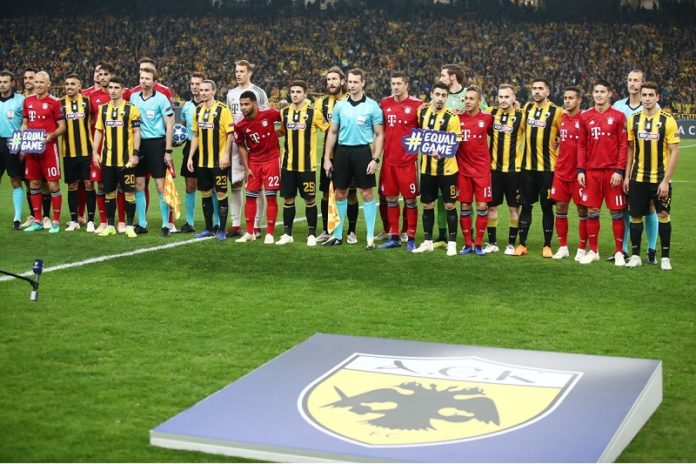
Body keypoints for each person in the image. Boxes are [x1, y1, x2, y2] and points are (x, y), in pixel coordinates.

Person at [322, 68, 384, 249]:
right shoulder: (340, 105)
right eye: (350, 82)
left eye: (356, 82)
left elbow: (380, 134)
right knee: (340, 192)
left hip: (363, 153)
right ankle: (337, 235)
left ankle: (370, 237)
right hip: (342, 152)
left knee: (366, 193)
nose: (352, 85)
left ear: (363, 83)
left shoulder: (372, 106)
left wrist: (375, 159)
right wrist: (327, 158)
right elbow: (332, 132)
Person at [624, 82, 680, 271]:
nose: (647, 98)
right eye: (644, 95)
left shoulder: (668, 120)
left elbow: (674, 152)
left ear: (658, 97)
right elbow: (630, 149)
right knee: (635, 215)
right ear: (640, 97)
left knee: (663, 214)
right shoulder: (633, 119)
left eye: (651, 95)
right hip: (638, 178)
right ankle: (635, 256)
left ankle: (665, 257)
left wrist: (666, 181)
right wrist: (627, 176)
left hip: (659, 180)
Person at [577, 80, 628, 265]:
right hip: (592, 172)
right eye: (596, 91)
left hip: (612, 173)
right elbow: (581, 146)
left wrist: (619, 170)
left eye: (602, 91)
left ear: (609, 94)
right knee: (592, 211)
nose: (599, 94)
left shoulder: (619, 116)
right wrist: (580, 170)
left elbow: (623, 146)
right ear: (592, 94)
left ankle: (619, 252)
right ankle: (593, 251)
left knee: (616, 212)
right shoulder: (585, 116)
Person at [613, 69, 659, 264]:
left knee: (650, 208)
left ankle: (651, 249)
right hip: (620, 164)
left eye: (636, 80)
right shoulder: (617, 106)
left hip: (646, 167)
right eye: (630, 80)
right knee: (623, 207)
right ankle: (622, 250)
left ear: (643, 83)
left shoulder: (652, 106)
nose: (632, 84)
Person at [411, 82, 461, 256]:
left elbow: (455, 143)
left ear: (447, 97)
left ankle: (452, 243)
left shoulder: (452, 118)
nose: (440, 98)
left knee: (449, 205)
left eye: (443, 95)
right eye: (437, 94)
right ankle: (428, 242)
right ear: (431, 94)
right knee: (427, 205)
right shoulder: (422, 111)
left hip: (447, 170)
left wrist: (443, 153)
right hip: (427, 169)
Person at [516, 78, 562, 257]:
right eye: (534, 88)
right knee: (526, 205)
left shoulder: (556, 112)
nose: (536, 91)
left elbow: (564, 134)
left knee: (546, 206)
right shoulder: (527, 108)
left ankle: (547, 245)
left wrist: (559, 142)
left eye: (540, 88)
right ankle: (522, 244)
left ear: (547, 92)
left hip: (548, 169)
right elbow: (520, 130)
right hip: (527, 168)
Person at [275, 80, 324, 246]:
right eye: (292, 92)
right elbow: (283, 130)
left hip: (307, 166)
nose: (295, 95)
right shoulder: (284, 112)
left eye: (298, 92)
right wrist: (266, 135)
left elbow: (329, 129)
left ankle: (311, 235)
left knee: (309, 200)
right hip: (287, 165)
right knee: (288, 199)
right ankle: (287, 234)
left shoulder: (314, 113)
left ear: (305, 94)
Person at [377, 71, 422, 251]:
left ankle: (411, 237)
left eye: (398, 84)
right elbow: (380, 131)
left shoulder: (417, 105)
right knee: (391, 198)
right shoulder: (385, 103)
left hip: (408, 162)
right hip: (389, 161)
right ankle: (394, 236)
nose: (395, 87)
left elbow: (426, 131)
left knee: (410, 200)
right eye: (393, 84)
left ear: (406, 85)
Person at [314, 66, 359, 244]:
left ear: (342, 81)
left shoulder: (352, 100)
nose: (331, 82)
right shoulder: (322, 103)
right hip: (329, 155)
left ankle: (352, 231)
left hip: (350, 155)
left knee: (351, 194)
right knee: (326, 193)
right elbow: (317, 122)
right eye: (328, 79)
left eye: (334, 79)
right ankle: (327, 230)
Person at [92, 77, 141, 238]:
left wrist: (135, 154)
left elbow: (136, 132)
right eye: (111, 87)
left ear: (123, 90)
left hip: (126, 161)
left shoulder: (131, 109)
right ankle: (111, 226)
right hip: (108, 160)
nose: (113, 90)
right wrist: (95, 152)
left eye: (116, 87)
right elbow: (99, 131)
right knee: (109, 193)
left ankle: (129, 226)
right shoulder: (104, 109)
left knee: (129, 193)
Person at [129, 67, 175, 237]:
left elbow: (170, 125)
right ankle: (142, 224)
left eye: (148, 78)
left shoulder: (162, 99)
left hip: (156, 144)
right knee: (139, 185)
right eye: (142, 78)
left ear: (154, 82)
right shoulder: (134, 97)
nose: (144, 81)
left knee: (160, 186)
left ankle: (165, 225)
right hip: (139, 145)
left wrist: (168, 151)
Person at [186, 79, 234, 241]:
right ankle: (208, 228)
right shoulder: (198, 110)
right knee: (205, 193)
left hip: (219, 162)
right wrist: (190, 157)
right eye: (201, 90)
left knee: (220, 192)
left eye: (206, 90)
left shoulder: (223, 110)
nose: (203, 93)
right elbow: (195, 135)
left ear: (214, 91)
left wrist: (226, 155)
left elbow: (230, 135)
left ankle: (221, 230)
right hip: (202, 162)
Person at [225, 60, 269, 238]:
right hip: (236, 145)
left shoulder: (259, 92)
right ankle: (236, 224)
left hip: (254, 143)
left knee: (256, 186)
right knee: (236, 185)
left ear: (249, 72)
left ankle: (257, 226)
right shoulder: (231, 94)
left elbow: (265, 117)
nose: (238, 74)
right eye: (236, 71)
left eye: (242, 71)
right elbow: (228, 118)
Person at [233, 91, 281, 244]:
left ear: (255, 103)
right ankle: (250, 233)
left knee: (271, 195)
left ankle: (270, 234)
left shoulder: (269, 113)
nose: (243, 107)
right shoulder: (239, 124)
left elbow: (285, 118)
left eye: (246, 104)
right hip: (254, 160)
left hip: (272, 159)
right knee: (250, 195)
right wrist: (246, 167)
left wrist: (278, 133)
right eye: (241, 104)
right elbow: (241, 145)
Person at [21, 71, 65, 233]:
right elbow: (25, 124)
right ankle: (38, 220)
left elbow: (62, 126)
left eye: (41, 82)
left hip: (49, 149)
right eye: (36, 82)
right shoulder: (27, 101)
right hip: (32, 149)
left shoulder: (55, 102)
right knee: (34, 183)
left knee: (53, 184)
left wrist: (51, 135)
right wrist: (23, 139)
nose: (38, 85)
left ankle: (56, 221)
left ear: (48, 84)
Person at [485, 83, 525, 255]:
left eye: (507, 97)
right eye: (500, 96)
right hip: (494, 170)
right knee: (491, 207)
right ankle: (492, 243)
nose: (503, 100)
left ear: (514, 98)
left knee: (513, 208)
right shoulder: (491, 113)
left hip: (514, 172)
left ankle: (511, 244)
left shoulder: (521, 116)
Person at [549, 86, 588, 261]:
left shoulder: (585, 119)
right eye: (565, 98)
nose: (567, 101)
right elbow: (556, 136)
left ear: (579, 100)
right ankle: (563, 247)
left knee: (582, 210)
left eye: (571, 98)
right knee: (560, 208)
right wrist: (558, 142)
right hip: (561, 172)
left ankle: (581, 248)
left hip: (579, 173)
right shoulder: (561, 118)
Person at [457, 86, 493, 256]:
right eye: (466, 98)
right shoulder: (457, 118)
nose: (468, 101)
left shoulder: (487, 118)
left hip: (482, 170)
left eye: (472, 99)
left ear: (479, 101)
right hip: (463, 170)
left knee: (482, 205)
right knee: (464, 205)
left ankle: (478, 243)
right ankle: (467, 243)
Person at [179, 71, 215, 233]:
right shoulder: (187, 107)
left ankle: (215, 222)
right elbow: (183, 128)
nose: (195, 87)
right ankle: (190, 222)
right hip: (190, 147)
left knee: (212, 187)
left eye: (198, 84)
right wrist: (177, 139)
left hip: (209, 148)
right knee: (190, 186)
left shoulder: (214, 107)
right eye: (192, 84)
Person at [60, 74, 95, 231]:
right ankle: (74, 220)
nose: (69, 87)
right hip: (68, 152)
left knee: (89, 184)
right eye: (67, 84)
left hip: (86, 151)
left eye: (73, 84)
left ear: (79, 86)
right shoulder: (61, 103)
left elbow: (93, 117)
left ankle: (91, 221)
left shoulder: (87, 101)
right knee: (72, 185)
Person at [85, 62, 116, 233]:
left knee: (121, 186)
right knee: (101, 185)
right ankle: (103, 221)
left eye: (106, 74)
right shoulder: (92, 97)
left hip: (118, 148)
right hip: (99, 149)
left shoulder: (123, 94)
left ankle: (121, 221)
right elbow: (89, 122)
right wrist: (93, 148)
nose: (102, 77)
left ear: (112, 75)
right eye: (100, 74)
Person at [0, 70, 26, 230]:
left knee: (15, 180)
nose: (2, 84)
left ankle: (17, 218)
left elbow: (25, 123)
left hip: (13, 141)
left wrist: (22, 145)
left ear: (12, 83)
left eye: (5, 81)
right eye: (0, 82)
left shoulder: (21, 100)